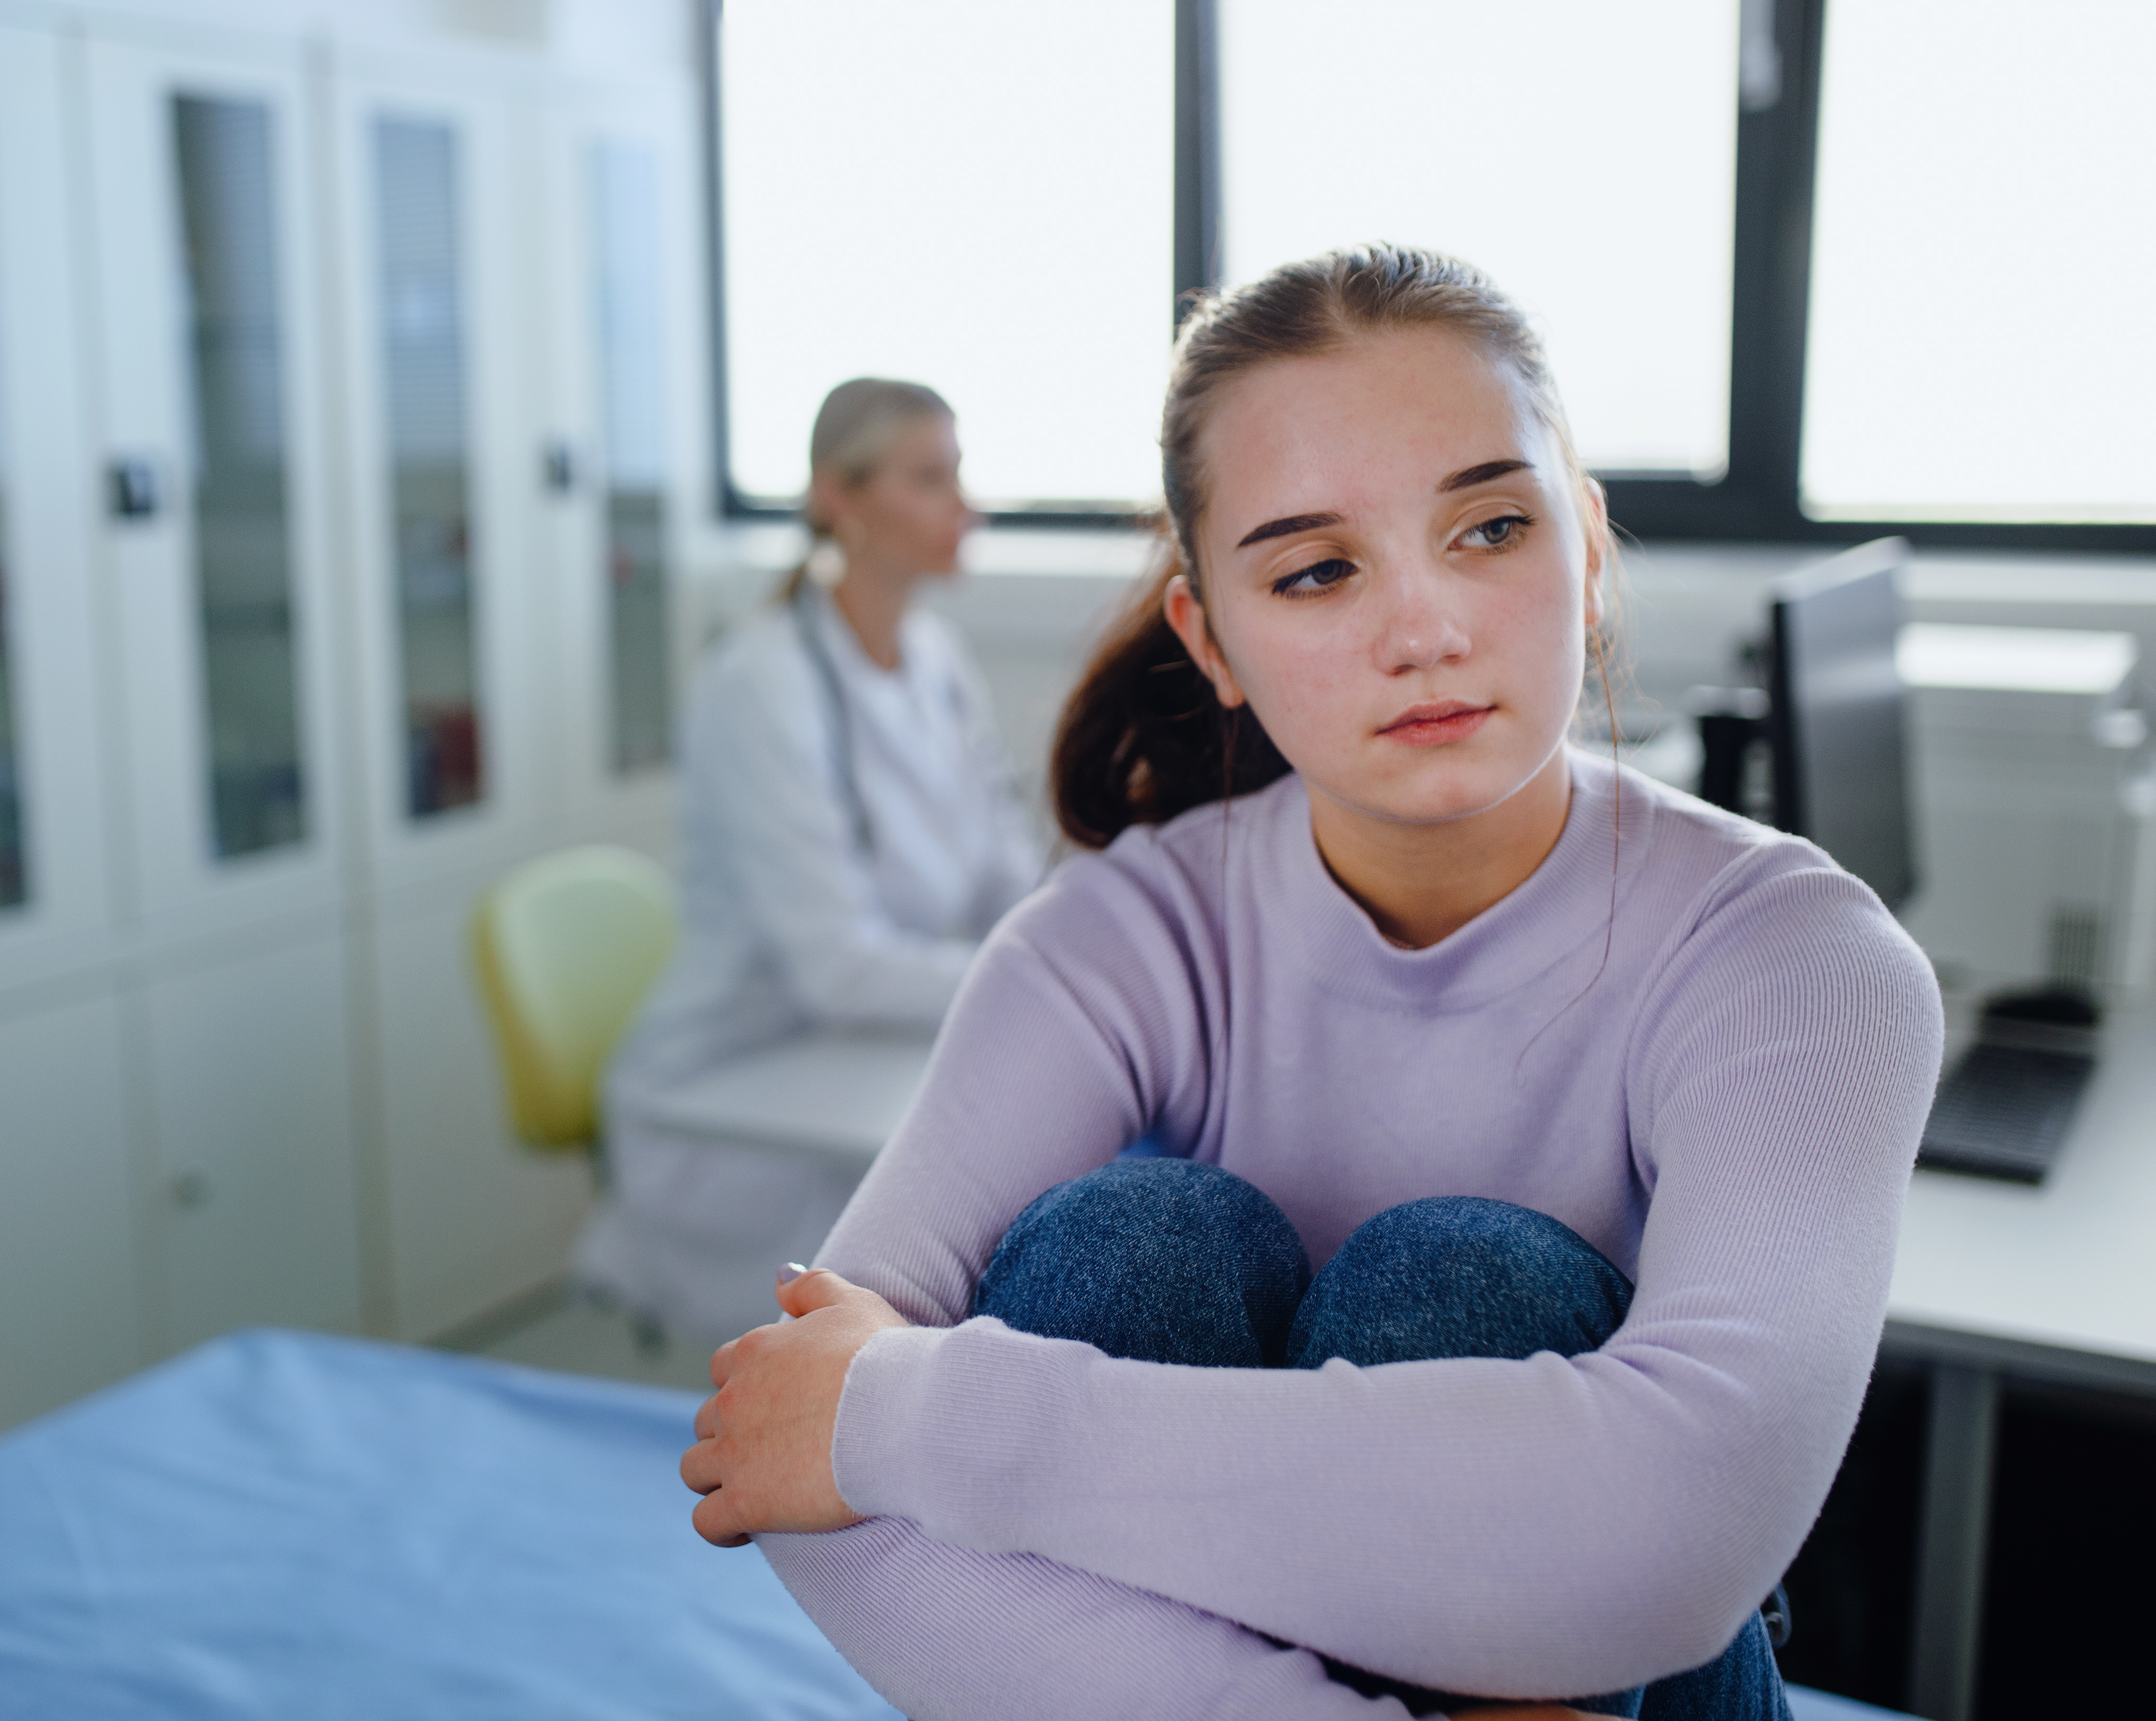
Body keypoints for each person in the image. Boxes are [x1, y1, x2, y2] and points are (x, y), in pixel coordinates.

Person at [679, 247, 1943, 1719]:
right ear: (1212, 637)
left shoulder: (1797, 960)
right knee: (1131, 1243)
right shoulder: (1120, 934)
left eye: (1488, 527)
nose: (1425, 629)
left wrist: (917, 1415)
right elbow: (789, 1446)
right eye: (1319, 569)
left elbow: (1673, 1534)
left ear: (1588, 550)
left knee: (1464, 1280)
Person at [575, 379, 1044, 1344]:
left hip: (863, 1060)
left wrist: (1063, 944)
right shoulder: (764, 682)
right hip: (736, 1097)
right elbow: (838, 968)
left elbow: (1007, 866)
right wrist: (1025, 983)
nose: (968, 505)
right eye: (931, 478)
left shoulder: (936, 657)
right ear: (840, 496)